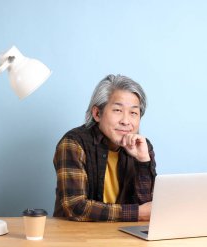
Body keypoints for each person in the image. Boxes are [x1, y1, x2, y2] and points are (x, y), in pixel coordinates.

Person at [53, 74, 156, 222]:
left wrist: (143, 162)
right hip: (76, 237)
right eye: (117, 110)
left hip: (123, 236)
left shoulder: (142, 146)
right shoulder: (74, 143)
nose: (126, 121)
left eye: (133, 113)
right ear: (97, 113)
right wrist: (136, 213)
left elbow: (149, 208)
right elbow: (75, 206)